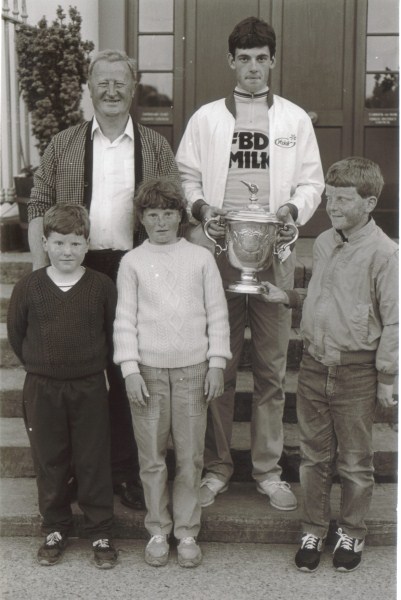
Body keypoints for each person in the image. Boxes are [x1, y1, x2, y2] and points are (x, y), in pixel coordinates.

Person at [175, 16, 324, 511]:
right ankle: (216, 468)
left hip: (273, 260)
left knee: (271, 371)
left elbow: (311, 183)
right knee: (219, 364)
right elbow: (187, 177)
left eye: (262, 58)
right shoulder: (206, 120)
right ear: (230, 62)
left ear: (273, 61)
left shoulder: (295, 120)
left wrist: (291, 211)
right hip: (219, 258)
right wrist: (201, 210)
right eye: (244, 58)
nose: (254, 67)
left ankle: (267, 470)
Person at [27, 49, 181, 511]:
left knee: (131, 371)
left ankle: (126, 471)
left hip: (137, 269)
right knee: (82, 374)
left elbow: (173, 208)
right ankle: (77, 470)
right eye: (102, 82)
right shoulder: (63, 144)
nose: (111, 90)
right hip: (79, 269)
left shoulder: (155, 147)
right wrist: (43, 274)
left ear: (133, 89)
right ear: (88, 89)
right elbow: (38, 206)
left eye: (120, 83)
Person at [260, 157, 398, 572]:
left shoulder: (385, 254)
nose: (332, 206)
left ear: (370, 202)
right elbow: (324, 297)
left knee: (355, 461)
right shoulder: (323, 241)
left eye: (343, 199)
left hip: (357, 372)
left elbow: (393, 320)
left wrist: (388, 376)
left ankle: (352, 533)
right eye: (330, 197)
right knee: (314, 457)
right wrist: (288, 297)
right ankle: (314, 528)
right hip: (315, 366)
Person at [113, 178, 231, 568]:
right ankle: (158, 530)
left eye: (168, 214)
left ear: (180, 217)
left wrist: (216, 364)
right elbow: (124, 320)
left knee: (191, 457)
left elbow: (217, 314)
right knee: (151, 458)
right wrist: (129, 369)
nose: (161, 222)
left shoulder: (200, 258)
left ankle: (187, 532)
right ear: (141, 219)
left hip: (193, 372)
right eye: (152, 215)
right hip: (147, 372)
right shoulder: (132, 262)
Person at [7, 204, 119, 569]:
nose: (67, 251)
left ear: (87, 244)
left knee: (92, 458)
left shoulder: (101, 287)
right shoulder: (29, 287)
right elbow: (17, 334)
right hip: (43, 387)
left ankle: (100, 529)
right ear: (45, 243)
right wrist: (43, 365)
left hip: (88, 386)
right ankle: (55, 526)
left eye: (75, 243)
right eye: (58, 243)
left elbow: (111, 333)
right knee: (50, 458)